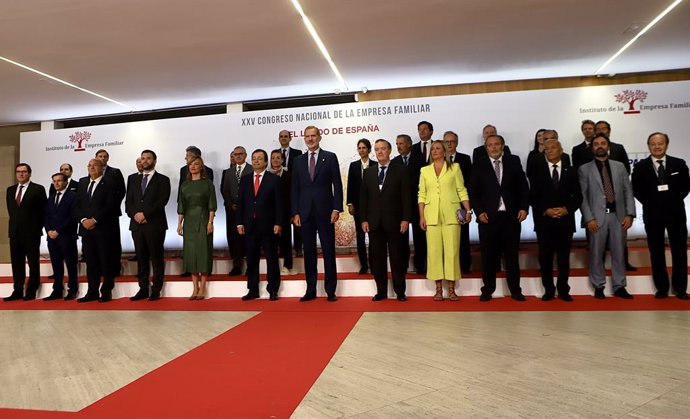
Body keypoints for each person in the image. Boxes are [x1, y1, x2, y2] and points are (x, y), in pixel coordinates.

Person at [471, 134, 529, 302]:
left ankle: (515, 290)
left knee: (512, 257)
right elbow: (473, 191)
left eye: (497, 144)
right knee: (488, 257)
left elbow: (523, 187)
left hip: (510, 217)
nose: (494, 147)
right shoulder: (480, 164)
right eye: (490, 145)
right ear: (486, 147)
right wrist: (479, 211)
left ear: (502, 146)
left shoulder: (513, 161)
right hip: (487, 218)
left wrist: (524, 208)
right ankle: (487, 290)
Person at [632, 132, 690, 299]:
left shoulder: (679, 164)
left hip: (676, 213)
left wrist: (671, 200)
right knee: (656, 252)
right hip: (653, 214)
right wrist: (652, 203)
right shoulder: (640, 167)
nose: (657, 147)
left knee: (679, 251)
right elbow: (637, 190)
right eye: (653, 144)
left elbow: (685, 187)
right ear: (648, 146)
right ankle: (662, 288)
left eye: (660, 143)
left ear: (666, 145)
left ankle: (680, 289)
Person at [578, 133, 636, 299]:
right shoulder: (584, 169)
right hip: (596, 219)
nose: (600, 146)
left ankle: (620, 286)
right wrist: (589, 218)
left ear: (608, 146)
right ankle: (598, 285)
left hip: (618, 217)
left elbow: (628, 191)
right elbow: (582, 196)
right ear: (592, 148)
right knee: (596, 253)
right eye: (596, 144)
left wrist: (630, 214)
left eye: (603, 143)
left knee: (619, 254)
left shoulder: (619, 166)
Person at [291, 125, 343, 302]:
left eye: (313, 136)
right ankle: (311, 289)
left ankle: (330, 290)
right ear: (304, 139)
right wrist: (295, 212)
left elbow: (337, 184)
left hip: (326, 211)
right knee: (309, 253)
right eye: (307, 136)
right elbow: (295, 189)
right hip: (305, 213)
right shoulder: (298, 161)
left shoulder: (329, 157)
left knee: (328, 251)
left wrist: (336, 208)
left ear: (319, 137)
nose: (310, 139)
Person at [528, 139, 582, 302]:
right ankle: (549, 290)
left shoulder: (571, 171)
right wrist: (546, 210)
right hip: (545, 222)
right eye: (547, 149)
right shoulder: (537, 171)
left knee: (563, 259)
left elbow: (578, 196)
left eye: (553, 148)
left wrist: (567, 209)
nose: (550, 151)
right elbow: (533, 197)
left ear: (561, 150)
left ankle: (563, 290)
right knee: (545, 258)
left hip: (565, 222)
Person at [418, 141, 472, 301]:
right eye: (432, 149)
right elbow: (421, 194)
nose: (434, 151)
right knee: (434, 252)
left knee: (452, 252)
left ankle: (452, 289)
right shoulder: (424, 170)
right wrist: (422, 216)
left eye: (438, 148)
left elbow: (461, 189)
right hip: (431, 215)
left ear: (444, 151)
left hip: (452, 215)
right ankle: (438, 289)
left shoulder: (454, 168)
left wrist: (468, 210)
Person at [360, 139, 411, 301]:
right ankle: (381, 291)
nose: (380, 152)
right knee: (377, 259)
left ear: (390, 151)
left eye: (383, 149)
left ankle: (400, 291)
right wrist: (363, 219)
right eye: (377, 149)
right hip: (374, 223)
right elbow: (363, 199)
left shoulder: (400, 170)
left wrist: (406, 219)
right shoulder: (368, 172)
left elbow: (407, 197)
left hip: (395, 222)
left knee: (397, 258)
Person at [125, 150, 171, 301]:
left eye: (148, 158)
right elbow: (128, 202)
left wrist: (145, 215)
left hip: (155, 225)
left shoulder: (163, 180)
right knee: (141, 259)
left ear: (154, 161)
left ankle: (156, 289)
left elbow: (162, 201)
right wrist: (135, 215)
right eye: (142, 158)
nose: (145, 161)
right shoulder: (132, 179)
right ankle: (143, 288)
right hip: (137, 226)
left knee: (156, 258)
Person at [237, 149, 283, 301]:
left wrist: (278, 222)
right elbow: (241, 203)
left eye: (259, 159)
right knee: (251, 259)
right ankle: (253, 289)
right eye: (254, 158)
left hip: (268, 225)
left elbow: (279, 203)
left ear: (265, 162)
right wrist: (239, 223)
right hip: (250, 225)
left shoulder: (273, 179)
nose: (256, 161)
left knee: (271, 258)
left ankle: (273, 289)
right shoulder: (245, 179)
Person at [75, 159, 118, 303]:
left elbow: (110, 205)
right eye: (89, 165)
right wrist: (83, 220)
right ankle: (92, 291)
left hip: (103, 229)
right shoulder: (82, 183)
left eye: (95, 165)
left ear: (102, 168)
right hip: (86, 230)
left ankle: (106, 291)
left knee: (106, 262)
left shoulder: (110, 183)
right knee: (91, 262)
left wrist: (94, 220)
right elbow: (76, 205)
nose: (91, 167)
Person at [4, 163, 47, 301]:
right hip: (15, 233)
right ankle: (17, 290)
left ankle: (31, 289)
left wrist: (37, 228)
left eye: (24, 172)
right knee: (16, 263)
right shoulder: (10, 190)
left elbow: (43, 211)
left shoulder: (38, 189)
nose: (21, 174)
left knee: (33, 263)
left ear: (29, 173)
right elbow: (12, 212)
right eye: (18, 172)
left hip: (31, 233)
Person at [177, 156, 217, 300]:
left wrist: (210, 222)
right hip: (189, 222)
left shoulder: (207, 184)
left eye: (196, 164)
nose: (193, 166)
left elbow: (212, 205)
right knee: (191, 254)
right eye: (190, 164)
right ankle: (194, 288)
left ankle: (203, 288)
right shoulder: (184, 185)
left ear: (201, 167)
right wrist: (179, 224)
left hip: (203, 220)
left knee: (203, 253)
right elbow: (181, 206)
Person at [43, 172, 79, 301]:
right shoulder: (51, 198)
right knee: (56, 266)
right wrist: (48, 231)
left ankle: (72, 290)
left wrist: (58, 230)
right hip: (52, 238)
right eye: (54, 181)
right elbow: (46, 216)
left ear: (66, 182)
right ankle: (57, 290)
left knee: (71, 265)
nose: (56, 183)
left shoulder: (73, 196)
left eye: (59, 181)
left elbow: (73, 217)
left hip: (67, 236)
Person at [443, 131, 473, 273]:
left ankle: (465, 266)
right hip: (443, 206)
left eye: (452, 141)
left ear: (457, 142)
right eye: (446, 141)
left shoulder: (465, 159)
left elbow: (468, 183)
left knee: (463, 237)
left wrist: (467, 206)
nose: (449, 144)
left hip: (460, 205)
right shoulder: (436, 161)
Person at [221, 146, 252, 276]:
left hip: (249, 210)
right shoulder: (228, 172)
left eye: (240, 154)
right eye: (235, 154)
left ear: (245, 155)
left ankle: (251, 266)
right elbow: (224, 190)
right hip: (232, 210)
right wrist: (230, 203)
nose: (238, 156)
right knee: (234, 238)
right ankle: (237, 265)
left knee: (250, 237)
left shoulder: (252, 169)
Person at [408, 122, 435, 274]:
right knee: (419, 235)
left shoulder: (438, 147)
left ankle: (434, 265)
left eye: (425, 129)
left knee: (434, 237)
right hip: (418, 199)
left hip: (436, 198)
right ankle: (420, 266)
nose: (422, 131)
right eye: (419, 129)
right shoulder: (413, 149)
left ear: (431, 131)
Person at [95, 149, 126, 279]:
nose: (102, 158)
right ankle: (100, 268)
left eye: (105, 156)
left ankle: (115, 269)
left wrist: (111, 206)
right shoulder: (93, 172)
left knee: (113, 241)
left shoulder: (115, 172)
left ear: (108, 159)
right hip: (96, 215)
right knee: (99, 243)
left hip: (111, 213)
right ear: (96, 158)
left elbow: (122, 191)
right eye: (100, 156)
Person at [346, 138, 373, 274]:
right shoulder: (353, 165)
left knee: (373, 237)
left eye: (364, 148)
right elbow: (350, 186)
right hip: (357, 206)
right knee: (360, 237)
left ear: (369, 149)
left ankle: (374, 264)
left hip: (373, 206)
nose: (361, 150)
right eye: (359, 148)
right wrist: (350, 204)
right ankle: (364, 265)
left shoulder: (375, 164)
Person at [278, 129, 303, 256]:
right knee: (282, 222)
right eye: (281, 136)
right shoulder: (275, 154)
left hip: (295, 190)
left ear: (290, 138)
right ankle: (283, 249)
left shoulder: (298, 153)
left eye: (285, 136)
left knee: (297, 222)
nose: (283, 138)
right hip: (281, 193)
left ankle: (299, 248)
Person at [391, 134, 414, 271]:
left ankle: (421, 265)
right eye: (397, 144)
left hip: (417, 203)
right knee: (401, 238)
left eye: (401, 143)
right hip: (400, 206)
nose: (398, 146)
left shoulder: (419, 159)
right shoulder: (394, 162)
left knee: (420, 235)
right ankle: (403, 265)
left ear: (409, 144)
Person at [270, 149, 293, 274]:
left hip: (285, 213)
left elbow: (292, 195)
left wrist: (292, 213)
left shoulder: (288, 175)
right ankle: (274, 267)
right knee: (273, 241)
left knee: (286, 239)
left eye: (278, 158)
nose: (275, 160)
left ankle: (287, 265)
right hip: (270, 214)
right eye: (273, 158)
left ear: (282, 160)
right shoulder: (267, 175)